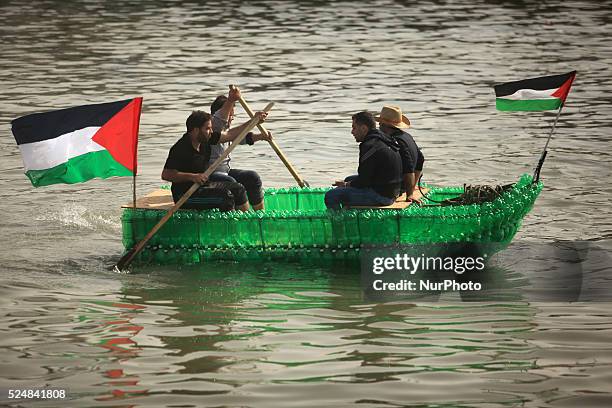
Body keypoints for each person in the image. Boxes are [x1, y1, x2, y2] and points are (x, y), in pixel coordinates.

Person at [161, 110, 267, 212]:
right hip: (185, 195)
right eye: (207, 128)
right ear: (196, 130)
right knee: (225, 197)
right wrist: (193, 177)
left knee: (238, 189)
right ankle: (232, 228)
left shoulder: (206, 139)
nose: (211, 132)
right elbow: (166, 174)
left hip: (203, 187)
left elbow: (230, 134)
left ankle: (246, 223)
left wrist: (253, 121)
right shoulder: (180, 149)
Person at [207, 87, 271, 210]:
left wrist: (261, 136)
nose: (232, 118)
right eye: (230, 115)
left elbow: (239, 138)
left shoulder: (225, 131)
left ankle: (260, 216)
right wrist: (231, 100)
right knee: (233, 184)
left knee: (252, 177)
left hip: (225, 171)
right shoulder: (212, 128)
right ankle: (243, 219)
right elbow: (219, 119)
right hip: (210, 175)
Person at [324, 111, 402, 210]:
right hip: (392, 191)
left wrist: (346, 185)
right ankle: (346, 215)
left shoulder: (369, 145)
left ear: (364, 128)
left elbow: (363, 181)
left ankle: (340, 223)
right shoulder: (382, 139)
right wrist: (348, 183)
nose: (352, 132)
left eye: (354, 128)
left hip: (383, 196)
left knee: (331, 196)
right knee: (348, 179)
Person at [376, 105, 424, 200]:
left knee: (350, 180)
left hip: (397, 187)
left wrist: (409, 194)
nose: (379, 127)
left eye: (380, 124)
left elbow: (408, 168)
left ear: (385, 125)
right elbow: (421, 159)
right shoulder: (407, 136)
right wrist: (413, 185)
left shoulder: (395, 141)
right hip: (403, 185)